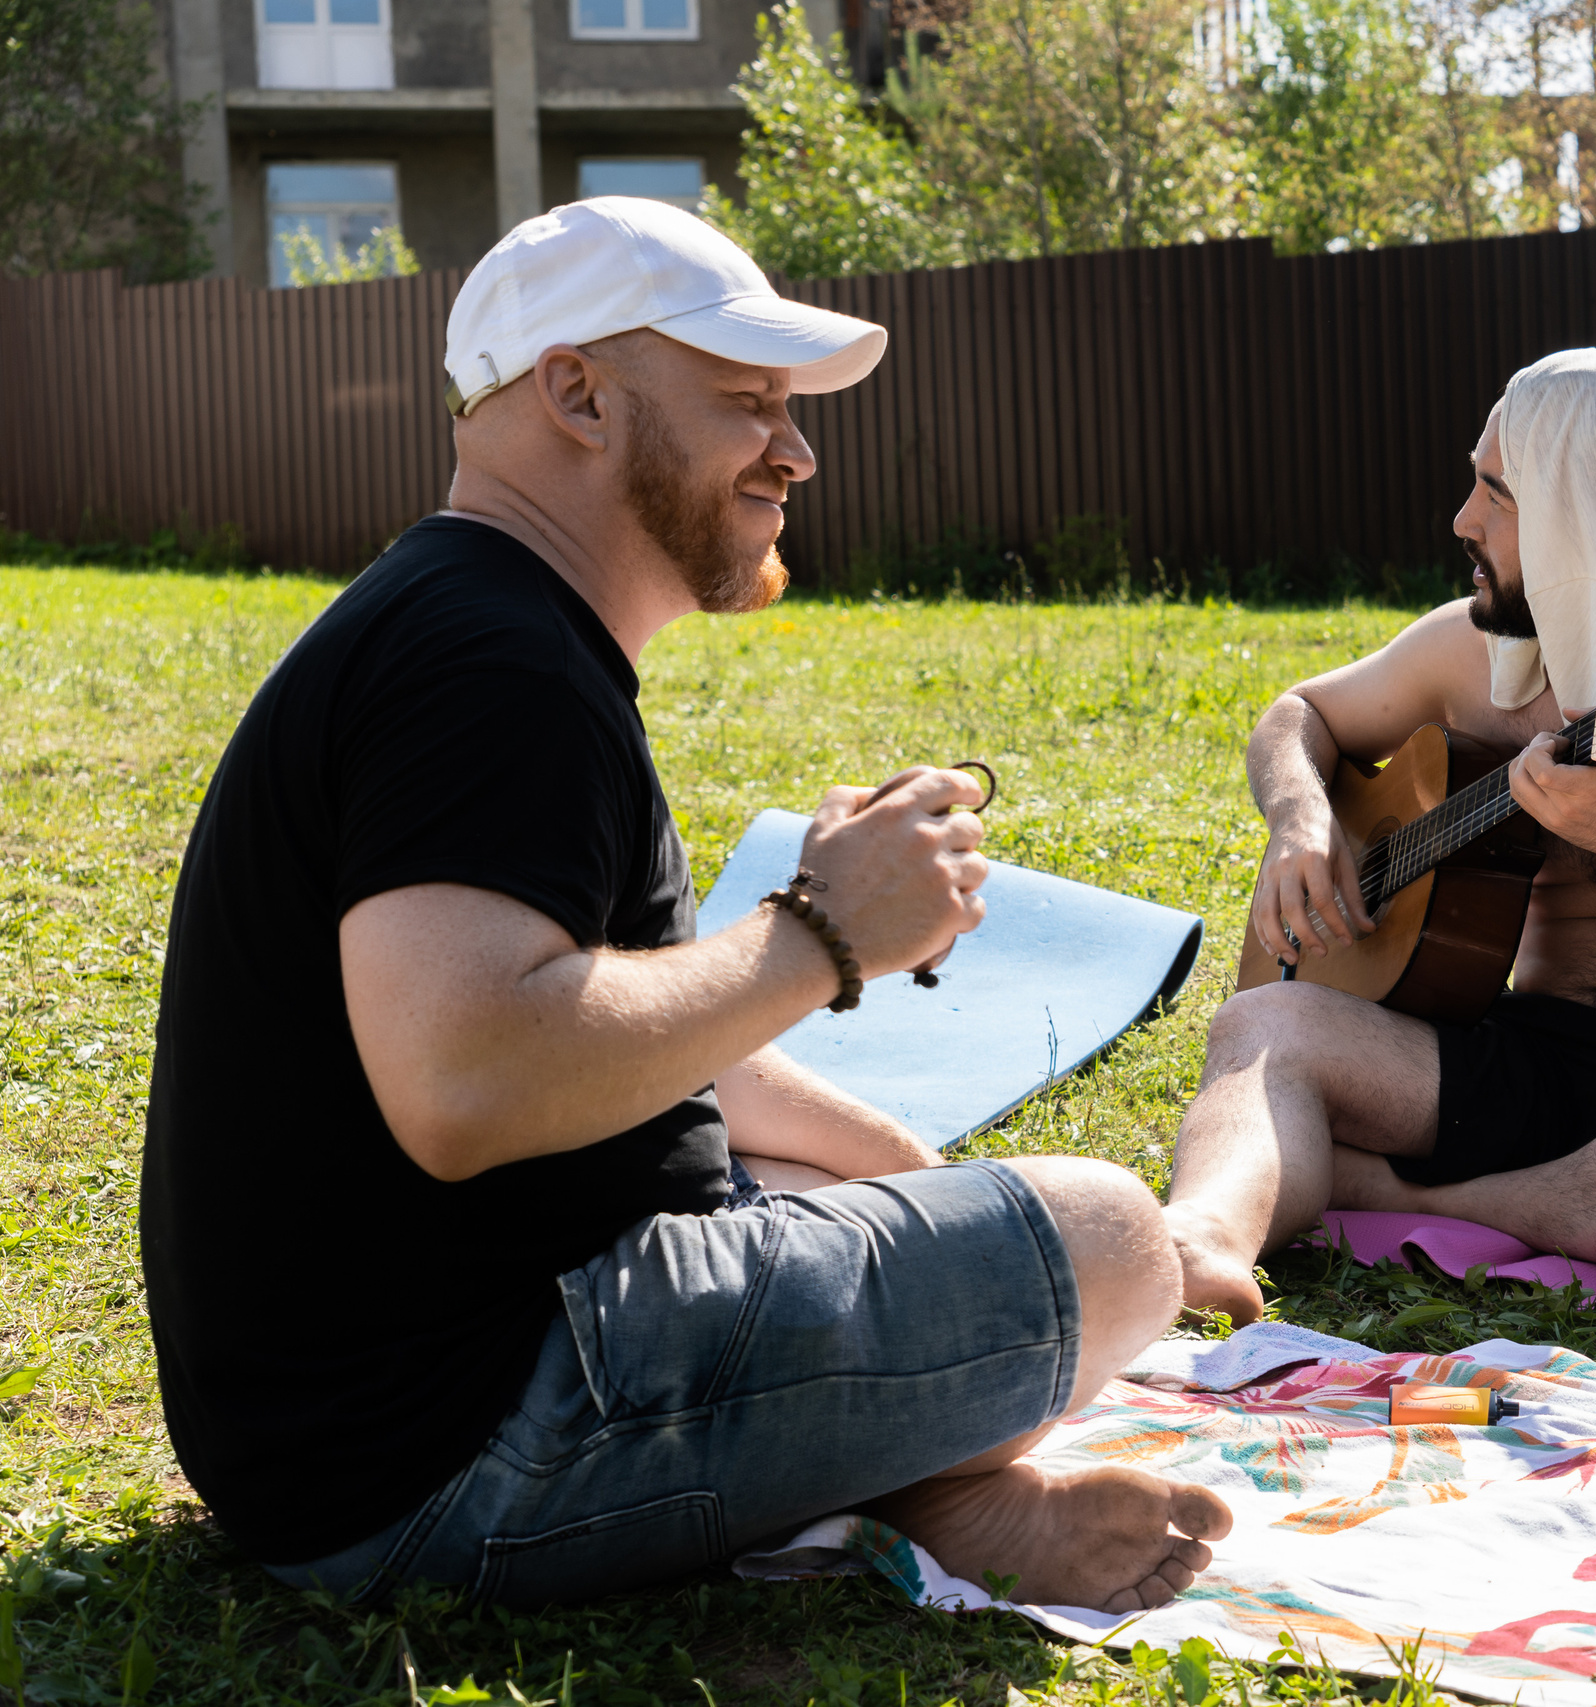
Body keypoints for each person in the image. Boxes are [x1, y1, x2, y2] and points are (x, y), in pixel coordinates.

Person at [139, 198, 1228, 1610]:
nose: (796, 448)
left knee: (861, 1178)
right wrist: (819, 933)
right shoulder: (491, 665)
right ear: (578, 395)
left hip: (377, 1423)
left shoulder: (488, 623)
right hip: (450, 1460)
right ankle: (936, 1480)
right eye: (745, 400)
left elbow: (663, 1040)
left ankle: (906, 1470)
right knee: (1111, 1235)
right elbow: (464, 1078)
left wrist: (905, 1167)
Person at [1163, 348, 1596, 1324]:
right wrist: (1300, 818)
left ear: (1587, 516)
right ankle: (1198, 1244)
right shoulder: (1475, 651)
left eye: (1495, 493)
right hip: (1525, 1057)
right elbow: (1300, 715)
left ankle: (1388, 1192)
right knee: (1260, 1026)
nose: (1464, 520)